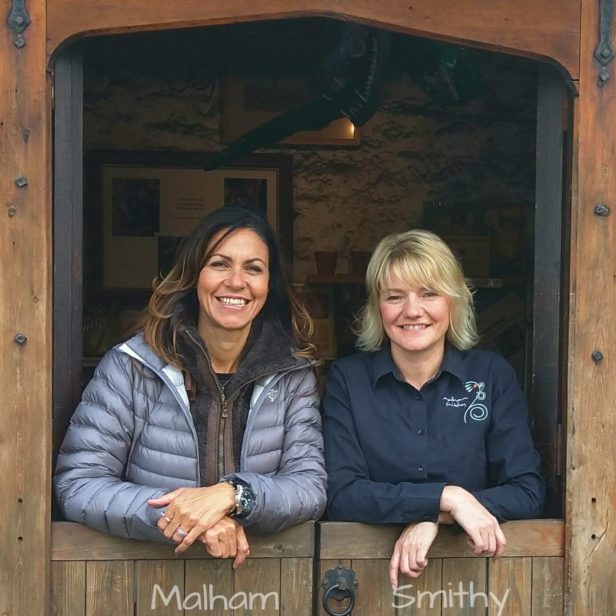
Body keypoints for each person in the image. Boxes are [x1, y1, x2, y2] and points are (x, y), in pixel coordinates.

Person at [55, 206, 327, 567]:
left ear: (268, 285)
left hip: (262, 585)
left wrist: (234, 495)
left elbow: (310, 487)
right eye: (219, 263)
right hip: (146, 585)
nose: (236, 280)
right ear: (194, 275)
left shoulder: (292, 375)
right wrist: (182, 517)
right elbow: (79, 485)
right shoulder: (133, 366)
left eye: (253, 268)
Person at [322, 229, 544, 588]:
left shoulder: (491, 375)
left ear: (453, 302)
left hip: (482, 586)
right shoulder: (347, 379)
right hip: (368, 584)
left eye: (429, 294)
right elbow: (342, 495)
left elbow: (527, 490)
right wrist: (448, 496)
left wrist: (434, 517)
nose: (413, 310)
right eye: (395, 296)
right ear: (377, 308)